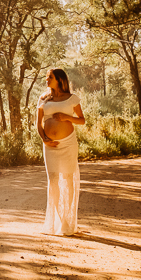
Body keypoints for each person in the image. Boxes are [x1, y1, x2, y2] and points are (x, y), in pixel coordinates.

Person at [36, 68, 85, 235]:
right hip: (50, 146)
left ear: (59, 79)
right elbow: (39, 124)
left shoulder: (72, 98)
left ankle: (67, 221)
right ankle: (57, 219)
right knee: (53, 181)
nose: (46, 79)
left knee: (68, 180)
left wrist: (67, 118)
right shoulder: (43, 98)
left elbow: (82, 120)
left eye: (50, 77)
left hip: (68, 144)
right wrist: (45, 139)